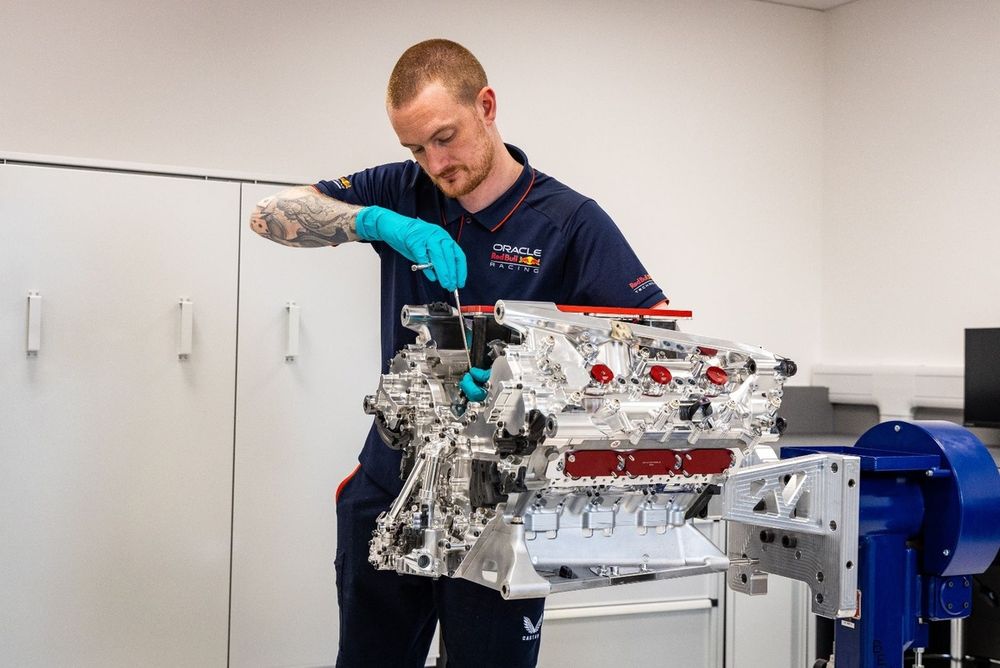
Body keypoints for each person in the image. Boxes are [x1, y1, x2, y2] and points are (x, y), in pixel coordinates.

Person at [250, 38, 667, 668]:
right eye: (416, 149)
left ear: (487, 107)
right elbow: (267, 215)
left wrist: (525, 384)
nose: (435, 164)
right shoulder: (402, 190)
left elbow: (648, 356)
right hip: (393, 482)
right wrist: (374, 222)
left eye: (445, 138)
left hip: (502, 501)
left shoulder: (570, 223)